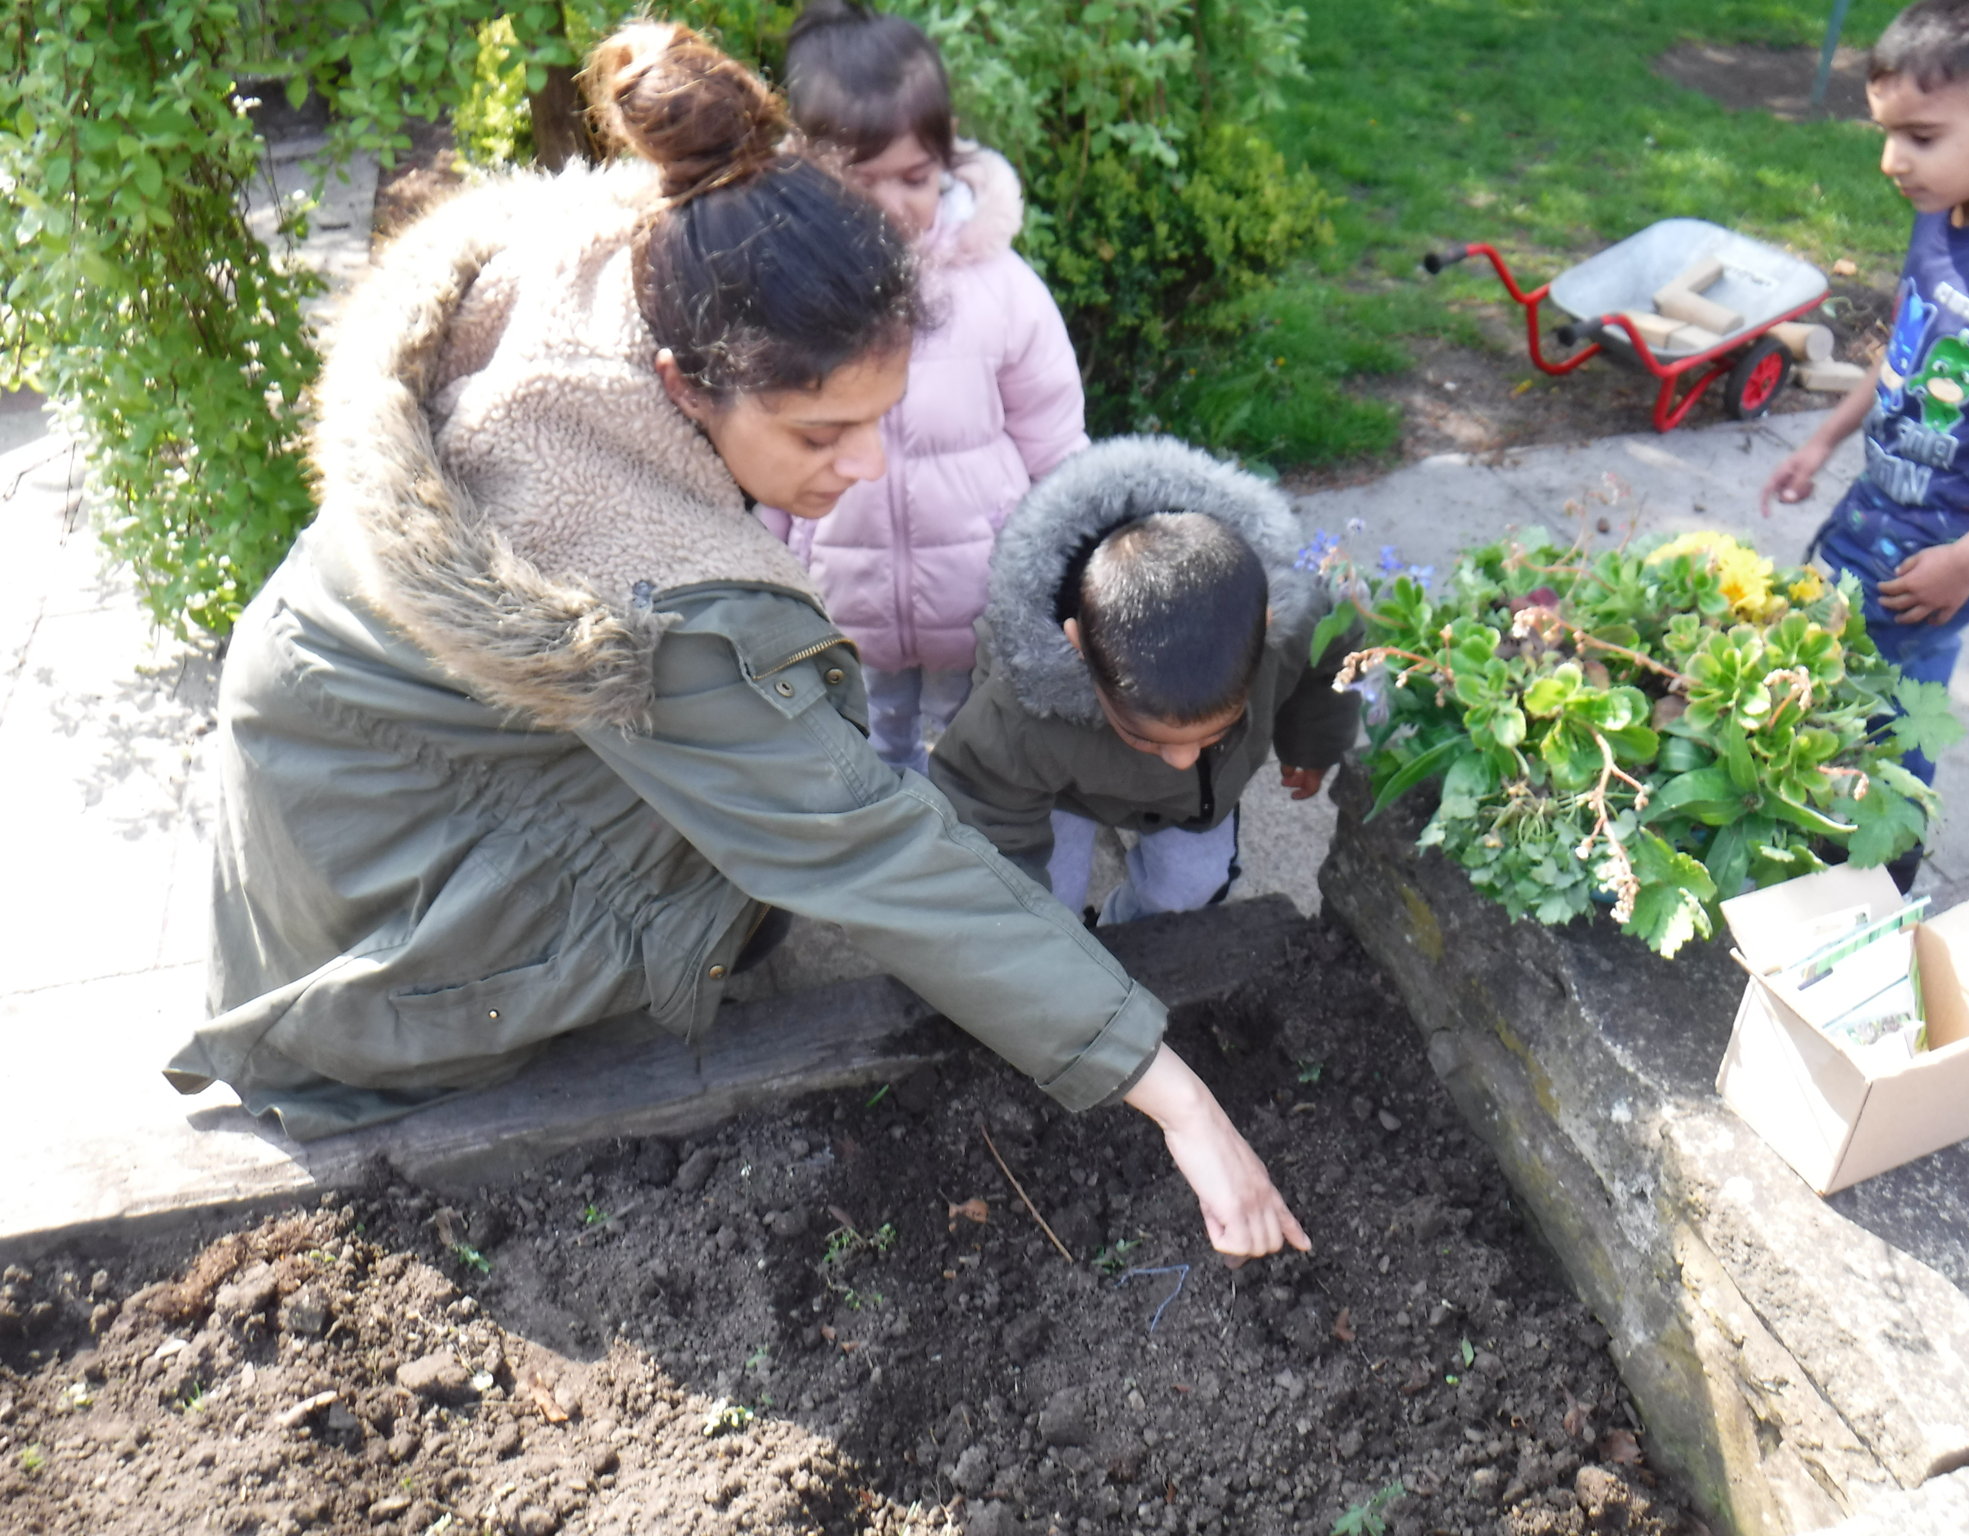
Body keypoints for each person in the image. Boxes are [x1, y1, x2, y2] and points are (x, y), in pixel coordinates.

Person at [163, 23, 1307, 1260]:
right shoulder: (657, 610)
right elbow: (869, 852)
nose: (861, 467)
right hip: (371, 915)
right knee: (796, 804)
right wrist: (1170, 1090)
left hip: (351, 764)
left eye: (877, 417)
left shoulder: (649, 262)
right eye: (819, 435)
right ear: (686, 382)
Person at [754, 0, 1088, 775]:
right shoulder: (789, 296)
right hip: (842, 603)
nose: (890, 203)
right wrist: (767, 577)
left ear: (947, 163)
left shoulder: (1001, 290)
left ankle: (962, 868)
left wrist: (1066, 576)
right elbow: (767, 458)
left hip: (977, 602)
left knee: (974, 760)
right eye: (858, 179)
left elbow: (1056, 445)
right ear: (806, 170)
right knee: (866, 750)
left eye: (914, 177)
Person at [1761, 0, 1969, 812]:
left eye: (1921, 137)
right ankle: (1833, 802)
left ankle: (1887, 843)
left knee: (1894, 699)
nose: (1893, 160)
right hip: (1887, 501)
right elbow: (1905, 351)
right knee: (1854, 663)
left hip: (1949, 544)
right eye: (1885, 133)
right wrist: (1823, 440)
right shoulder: (1943, 211)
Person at [928, 436, 1360, 924]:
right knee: (1049, 907)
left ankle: (1128, 935)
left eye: (1216, 730)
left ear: (1266, 626)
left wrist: (1313, 744)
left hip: (1198, 799)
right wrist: (1023, 923)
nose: (1182, 757)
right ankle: (1074, 942)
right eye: (1144, 733)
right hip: (1059, 791)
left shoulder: (1298, 619)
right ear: (1078, 647)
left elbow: (1337, 655)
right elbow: (985, 806)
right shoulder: (1022, 714)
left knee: (1190, 891)